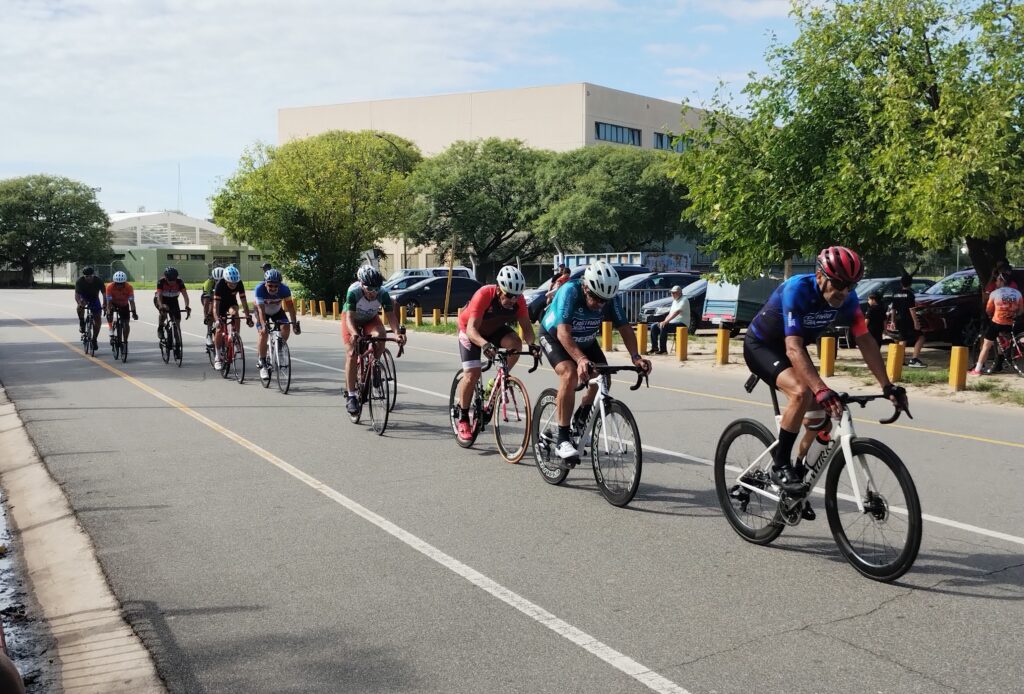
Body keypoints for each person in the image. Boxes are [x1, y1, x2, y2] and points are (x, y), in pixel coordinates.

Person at [743, 246, 907, 520]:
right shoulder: (797, 289)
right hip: (763, 346)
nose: (844, 291)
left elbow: (864, 340)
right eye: (839, 283)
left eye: (851, 285)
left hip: (792, 349)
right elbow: (793, 348)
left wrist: (887, 386)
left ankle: (797, 480)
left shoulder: (849, 299)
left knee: (821, 424)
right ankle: (779, 466)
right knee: (802, 393)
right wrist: (820, 389)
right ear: (820, 275)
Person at [538, 260, 652, 463]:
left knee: (604, 378)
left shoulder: (610, 298)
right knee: (569, 373)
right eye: (595, 298)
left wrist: (636, 357)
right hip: (555, 336)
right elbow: (564, 333)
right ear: (585, 287)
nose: (599, 304)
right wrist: (581, 359)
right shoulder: (570, 291)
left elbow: (625, 328)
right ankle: (563, 439)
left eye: (604, 301)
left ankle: (580, 421)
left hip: (586, 339)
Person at [453, 265, 539, 441]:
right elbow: (472, 329)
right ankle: (462, 417)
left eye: (516, 296)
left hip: (494, 329)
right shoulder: (484, 294)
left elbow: (527, 330)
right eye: (509, 295)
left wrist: (532, 345)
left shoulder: (519, 301)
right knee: (473, 374)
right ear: (499, 289)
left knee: (515, 343)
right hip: (471, 331)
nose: (513, 300)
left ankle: (497, 381)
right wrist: (484, 345)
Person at [342, 266, 406, 415]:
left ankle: (375, 365)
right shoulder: (353, 292)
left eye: (376, 289)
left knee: (380, 334)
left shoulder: (382, 293)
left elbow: (391, 317)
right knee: (352, 353)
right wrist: (354, 333)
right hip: (352, 320)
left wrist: (397, 333)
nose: (373, 293)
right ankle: (351, 396)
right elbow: (350, 319)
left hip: (370, 319)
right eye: (369, 289)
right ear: (361, 284)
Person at [969, 271, 1023, 376]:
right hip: (1012, 322)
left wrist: (990, 315)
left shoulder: (995, 293)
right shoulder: (1017, 293)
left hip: (997, 322)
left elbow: (989, 309)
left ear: (1002, 281)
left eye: (997, 280)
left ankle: (977, 369)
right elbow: (1021, 310)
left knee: (986, 345)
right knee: (1007, 341)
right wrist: (1014, 315)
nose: (996, 282)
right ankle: (1001, 363)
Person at [254, 268, 300, 380]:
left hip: (277, 311)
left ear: (280, 285)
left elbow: (290, 307)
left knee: (286, 326)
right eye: (270, 286)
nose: (273, 288)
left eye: (276, 286)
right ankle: (263, 363)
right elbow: (260, 310)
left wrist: (294, 324)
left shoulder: (284, 289)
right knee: (263, 333)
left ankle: (278, 348)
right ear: (265, 284)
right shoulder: (259, 289)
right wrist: (263, 325)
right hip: (262, 311)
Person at [212, 265, 253, 371]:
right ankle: (217, 356)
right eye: (231, 283)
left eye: (235, 283)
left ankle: (236, 337)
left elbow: (244, 302)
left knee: (235, 313)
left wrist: (248, 316)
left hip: (231, 303)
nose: (234, 285)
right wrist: (217, 320)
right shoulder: (220, 284)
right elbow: (215, 306)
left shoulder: (239, 283)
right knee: (219, 329)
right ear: (226, 281)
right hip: (220, 305)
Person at [890, 273, 926, 368]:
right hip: (908, 319)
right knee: (921, 337)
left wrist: (892, 321)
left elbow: (893, 309)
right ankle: (914, 359)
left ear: (901, 283)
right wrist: (916, 322)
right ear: (910, 284)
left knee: (903, 339)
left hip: (899, 319)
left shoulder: (896, 294)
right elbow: (912, 309)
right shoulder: (910, 294)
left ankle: (900, 360)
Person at [154, 266, 191, 344]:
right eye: (170, 280)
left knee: (177, 322)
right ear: (165, 278)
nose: (172, 282)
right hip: (161, 299)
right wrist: (161, 306)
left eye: (174, 280)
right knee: (164, 309)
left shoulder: (179, 282)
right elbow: (159, 296)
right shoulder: (161, 282)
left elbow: (185, 295)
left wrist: (187, 306)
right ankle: (160, 327)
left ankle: (178, 343)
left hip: (173, 300)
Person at [649, 285, 689, 354]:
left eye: (674, 293)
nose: (672, 294)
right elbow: (670, 314)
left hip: (682, 323)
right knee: (654, 326)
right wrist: (664, 321)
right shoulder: (675, 301)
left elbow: (677, 312)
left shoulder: (684, 300)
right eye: (672, 293)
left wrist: (666, 322)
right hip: (672, 323)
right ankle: (654, 348)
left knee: (664, 326)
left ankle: (663, 350)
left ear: (679, 293)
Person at [74, 266, 105, 351]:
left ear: (93, 275)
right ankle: (81, 322)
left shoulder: (98, 280)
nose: (88, 278)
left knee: (98, 319)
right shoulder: (80, 281)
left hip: (94, 298)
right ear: (84, 276)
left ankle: (94, 339)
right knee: (79, 307)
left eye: (90, 276)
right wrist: (80, 303)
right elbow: (77, 295)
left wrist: (104, 304)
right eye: (86, 276)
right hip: (84, 298)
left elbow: (104, 293)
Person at [105, 271, 137, 341]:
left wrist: (134, 313)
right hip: (113, 303)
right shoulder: (109, 287)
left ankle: (125, 341)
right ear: (114, 282)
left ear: (125, 282)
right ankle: (110, 328)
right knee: (109, 315)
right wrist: (108, 312)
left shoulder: (129, 287)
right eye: (117, 284)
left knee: (126, 324)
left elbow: (131, 301)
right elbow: (109, 302)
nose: (119, 286)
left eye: (122, 284)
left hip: (124, 305)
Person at [201, 267, 225, 345]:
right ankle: (209, 334)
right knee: (211, 311)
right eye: (216, 280)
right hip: (209, 298)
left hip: (221, 298)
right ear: (213, 278)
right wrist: (206, 316)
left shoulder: (227, 282)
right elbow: (206, 302)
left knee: (223, 314)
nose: (218, 282)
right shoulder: (208, 283)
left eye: (221, 280)